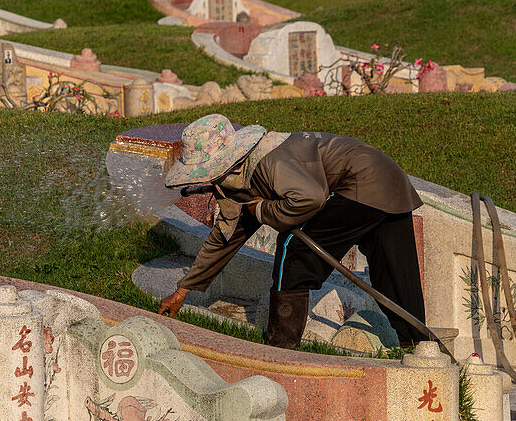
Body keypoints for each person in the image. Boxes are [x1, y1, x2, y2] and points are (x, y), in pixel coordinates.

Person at [156, 114, 426, 349]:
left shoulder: (270, 161)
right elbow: (226, 236)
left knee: (292, 251)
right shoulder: (237, 179)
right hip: (388, 178)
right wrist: (182, 291)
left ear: (230, 164)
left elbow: (310, 199)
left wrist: (261, 210)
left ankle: (281, 346)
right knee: (393, 271)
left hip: (360, 180)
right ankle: (419, 347)